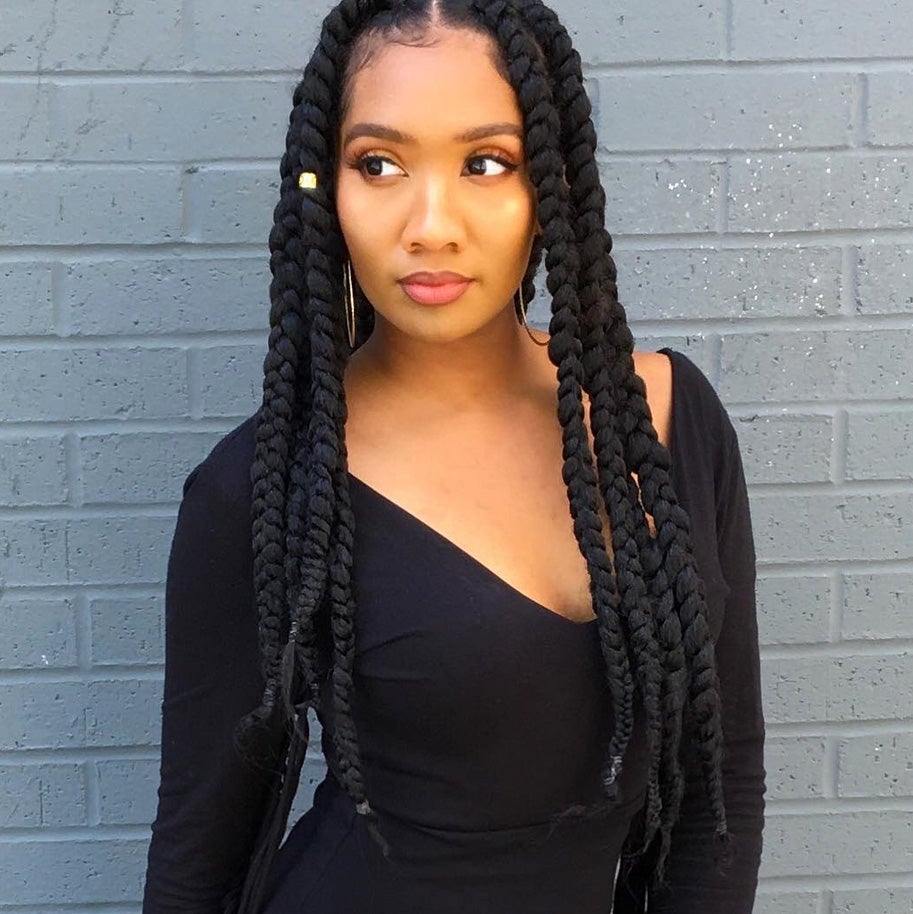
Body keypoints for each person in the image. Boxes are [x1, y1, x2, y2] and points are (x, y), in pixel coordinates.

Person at [142, 0, 766, 911]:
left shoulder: (668, 419)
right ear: (329, 191)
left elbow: (722, 782)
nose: (430, 224)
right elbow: (198, 850)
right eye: (378, 164)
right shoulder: (267, 486)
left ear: (548, 184)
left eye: (485, 163)